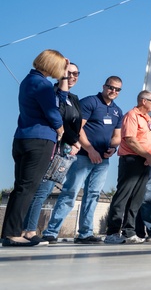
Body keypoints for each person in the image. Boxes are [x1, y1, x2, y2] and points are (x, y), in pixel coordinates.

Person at [40, 75, 124, 244]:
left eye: (117, 89)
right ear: (104, 86)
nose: (113, 91)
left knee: (93, 195)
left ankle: (85, 233)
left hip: (102, 161)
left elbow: (117, 136)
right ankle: (51, 231)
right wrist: (90, 149)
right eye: (110, 87)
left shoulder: (117, 111)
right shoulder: (90, 102)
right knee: (70, 192)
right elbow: (79, 128)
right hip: (83, 157)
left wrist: (113, 148)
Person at [3, 50, 68, 247]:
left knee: (20, 187)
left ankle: (9, 231)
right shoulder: (44, 84)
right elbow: (52, 111)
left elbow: (60, 100)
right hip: (39, 140)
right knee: (28, 188)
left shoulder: (28, 80)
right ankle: (13, 234)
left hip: (22, 138)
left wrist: (64, 74)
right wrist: (60, 127)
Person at [24, 62, 82, 241]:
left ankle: (27, 229)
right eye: (68, 73)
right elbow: (58, 119)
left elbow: (75, 124)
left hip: (65, 152)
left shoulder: (74, 98)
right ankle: (29, 230)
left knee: (45, 190)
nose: (72, 77)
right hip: (52, 147)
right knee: (41, 191)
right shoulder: (54, 94)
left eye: (76, 74)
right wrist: (74, 141)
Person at [104, 90, 151, 244]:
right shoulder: (132, 116)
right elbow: (130, 139)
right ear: (143, 101)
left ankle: (129, 231)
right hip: (131, 160)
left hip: (145, 162)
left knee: (137, 198)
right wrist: (147, 155)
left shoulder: (148, 119)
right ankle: (112, 232)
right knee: (123, 195)